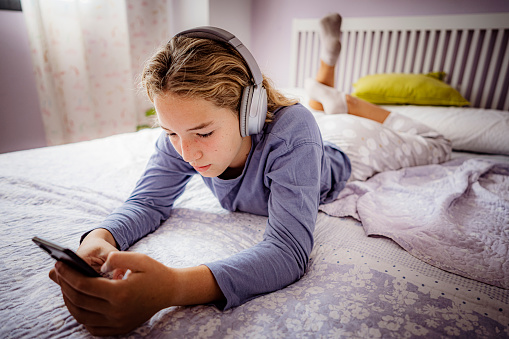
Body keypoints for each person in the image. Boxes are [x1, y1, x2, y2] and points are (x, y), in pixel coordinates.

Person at [49, 14, 451, 336]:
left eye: (204, 133)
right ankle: (328, 88)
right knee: (321, 108)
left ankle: (337, 95)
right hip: (315, 140)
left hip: (353, 151)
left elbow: (288, 251)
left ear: (249, 112)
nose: (187, 153)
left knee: (434, 142)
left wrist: (171, 287)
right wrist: (99, 239)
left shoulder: (292, 130)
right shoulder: (181, 134)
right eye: (171, 133)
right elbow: (147, 201)